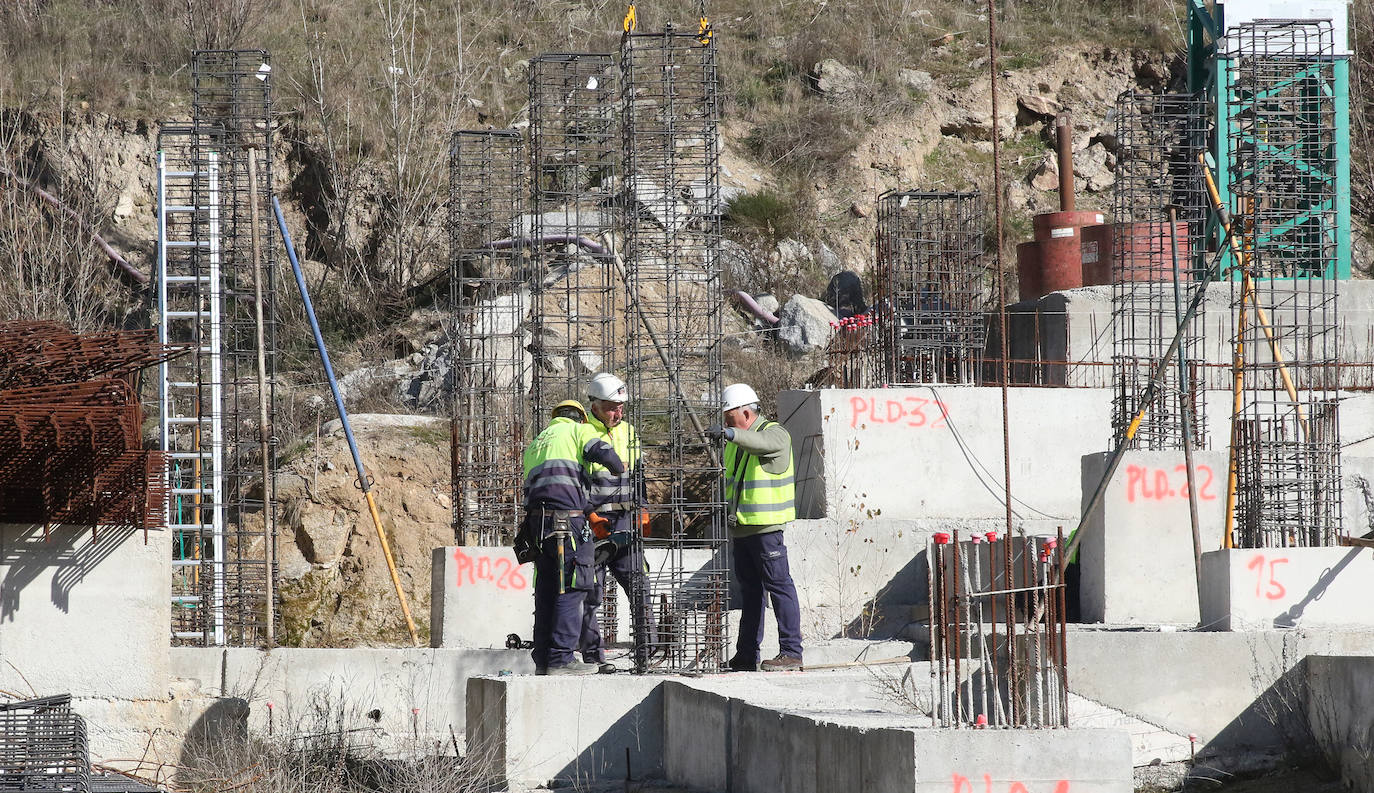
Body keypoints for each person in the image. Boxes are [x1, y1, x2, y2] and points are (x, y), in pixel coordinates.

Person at [523, 399, 625, 675]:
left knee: (546, 588)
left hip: (538, 525)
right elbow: (603, 453)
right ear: (580, 418)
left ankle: (544, 660)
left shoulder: (537, 444)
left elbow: (543, 486)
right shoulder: (577, 431)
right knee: (574, 584)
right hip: (565, 522)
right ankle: (561, 659)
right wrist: (618, 466)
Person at [707, 383, 804, 672]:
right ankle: (746, 654)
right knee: (751, 594)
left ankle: (791, 651)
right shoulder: (736, 445)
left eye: (729, 416)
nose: (726, 422)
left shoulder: (774, 433)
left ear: (746, 412)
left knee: (780, 587)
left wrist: (731, 434)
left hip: (766, 531)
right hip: (743, 531)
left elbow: (763, 443)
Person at [578, 372, 654, 672]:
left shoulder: (629, 432)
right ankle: (594, 657)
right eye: (611, 406)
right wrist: (589, 514)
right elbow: (576, 483)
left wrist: (643, 509)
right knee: (589, 592)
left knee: (639, 585)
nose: (618, 413)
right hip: (594, 524)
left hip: (625, 522)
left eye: (621, 406)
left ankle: (647, 652)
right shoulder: (582, 433)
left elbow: (639, 476)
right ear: (594, 405)